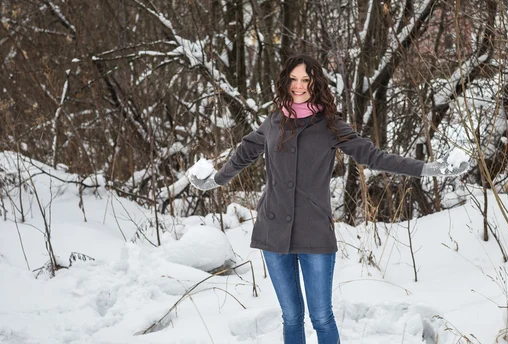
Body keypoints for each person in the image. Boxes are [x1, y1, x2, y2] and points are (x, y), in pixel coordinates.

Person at [186, 55, 468, 344]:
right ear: (286, 82)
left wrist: (431, 168)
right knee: (291, 316)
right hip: (274, 234)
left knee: (321, 316)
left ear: (315, 83)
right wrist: (214, 181)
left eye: (305, 80)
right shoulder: (273, 122)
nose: (299, 86)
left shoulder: (330, 125)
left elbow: (374, 156)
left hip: (315, 233)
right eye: (293, 79)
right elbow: (245, 152)